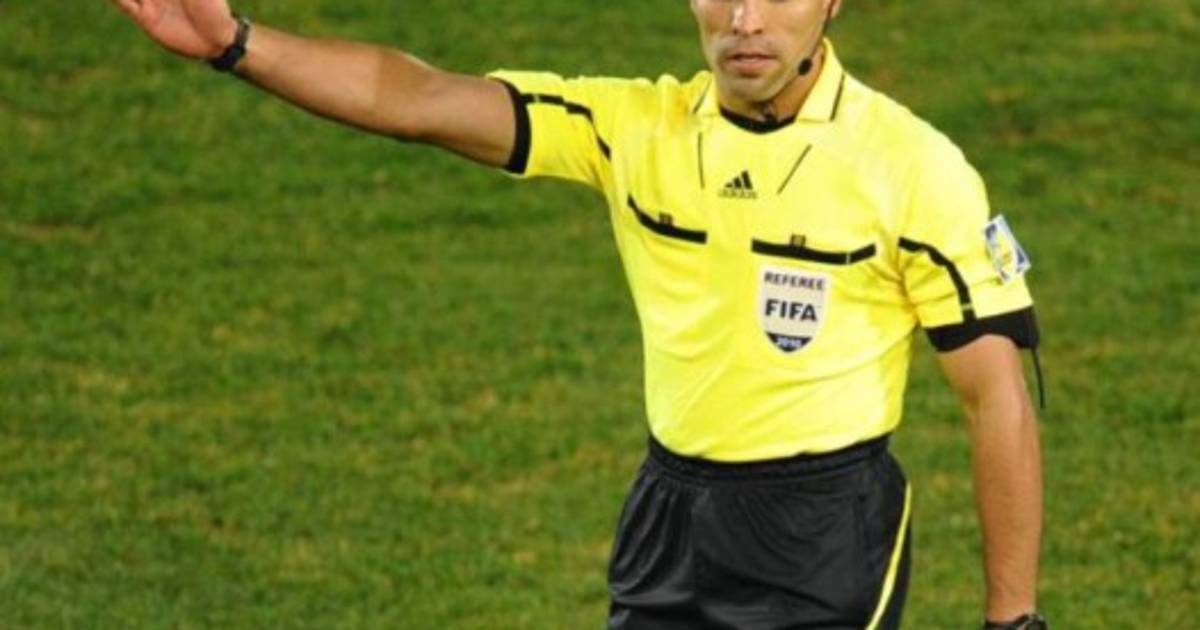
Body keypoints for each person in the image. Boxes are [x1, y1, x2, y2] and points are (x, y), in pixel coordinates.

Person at [108, 0, 1049, 628]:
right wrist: (236, 43)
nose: (745, 21)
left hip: (821, 533)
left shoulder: (912, 169)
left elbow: (995, 398)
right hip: (668, 516)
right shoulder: (633, 130)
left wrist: (1013, 620)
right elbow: (420, 98)